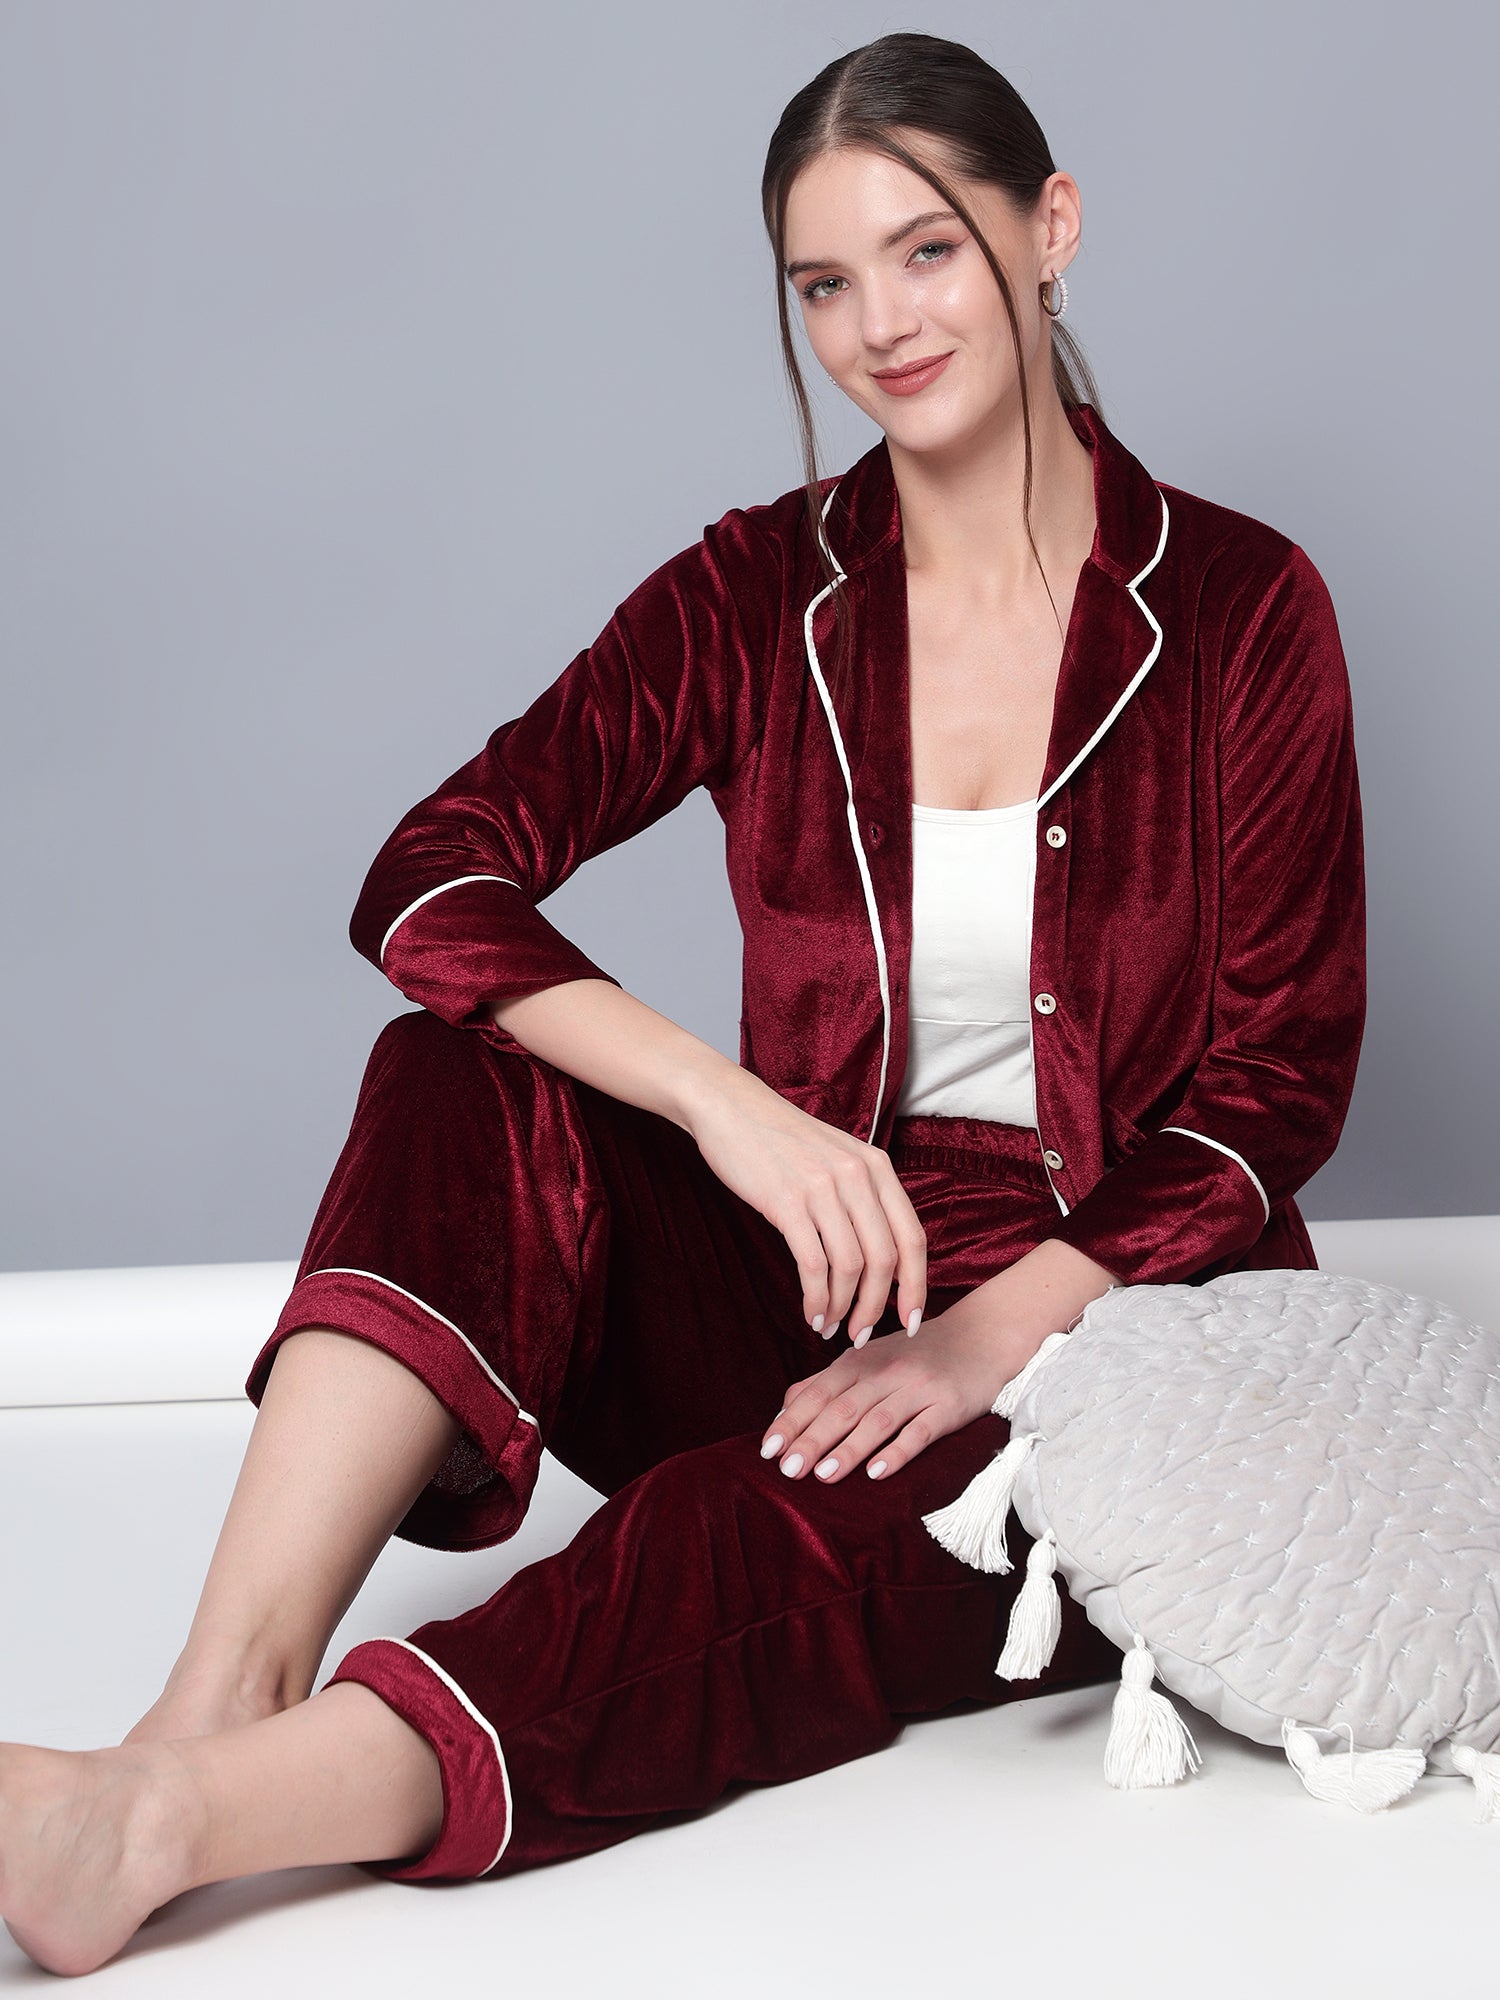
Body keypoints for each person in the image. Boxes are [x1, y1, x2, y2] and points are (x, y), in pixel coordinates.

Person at [0, 29, 1364, 1977]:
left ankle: (162, 1826)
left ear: (1049, 230)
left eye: (929, 251)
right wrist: (736, 1113)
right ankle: (217, 1693)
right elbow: (435, 876)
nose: (880, 325)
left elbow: (1275, 1088)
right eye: (825, 282)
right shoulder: (757, 595)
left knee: (725, 1546)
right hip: (819, 1270)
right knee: (452, 1072)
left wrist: (981, 1343)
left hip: (1112, 1347)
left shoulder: (1238, 606)